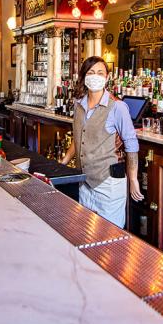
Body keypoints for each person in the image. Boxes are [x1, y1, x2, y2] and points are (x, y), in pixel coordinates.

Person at [61, 56, 143, 228]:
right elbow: (78, 139)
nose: (95, 76)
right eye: (91, 72)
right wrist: (62, 164)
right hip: (84, 181)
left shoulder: (117, 107)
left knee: (110, 234)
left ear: (107, 77)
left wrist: (133, 179)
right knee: (85, 231)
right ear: (84, 77)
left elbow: (131, 144)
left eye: (100, 73)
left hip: (108, 183)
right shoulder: (79, 105)